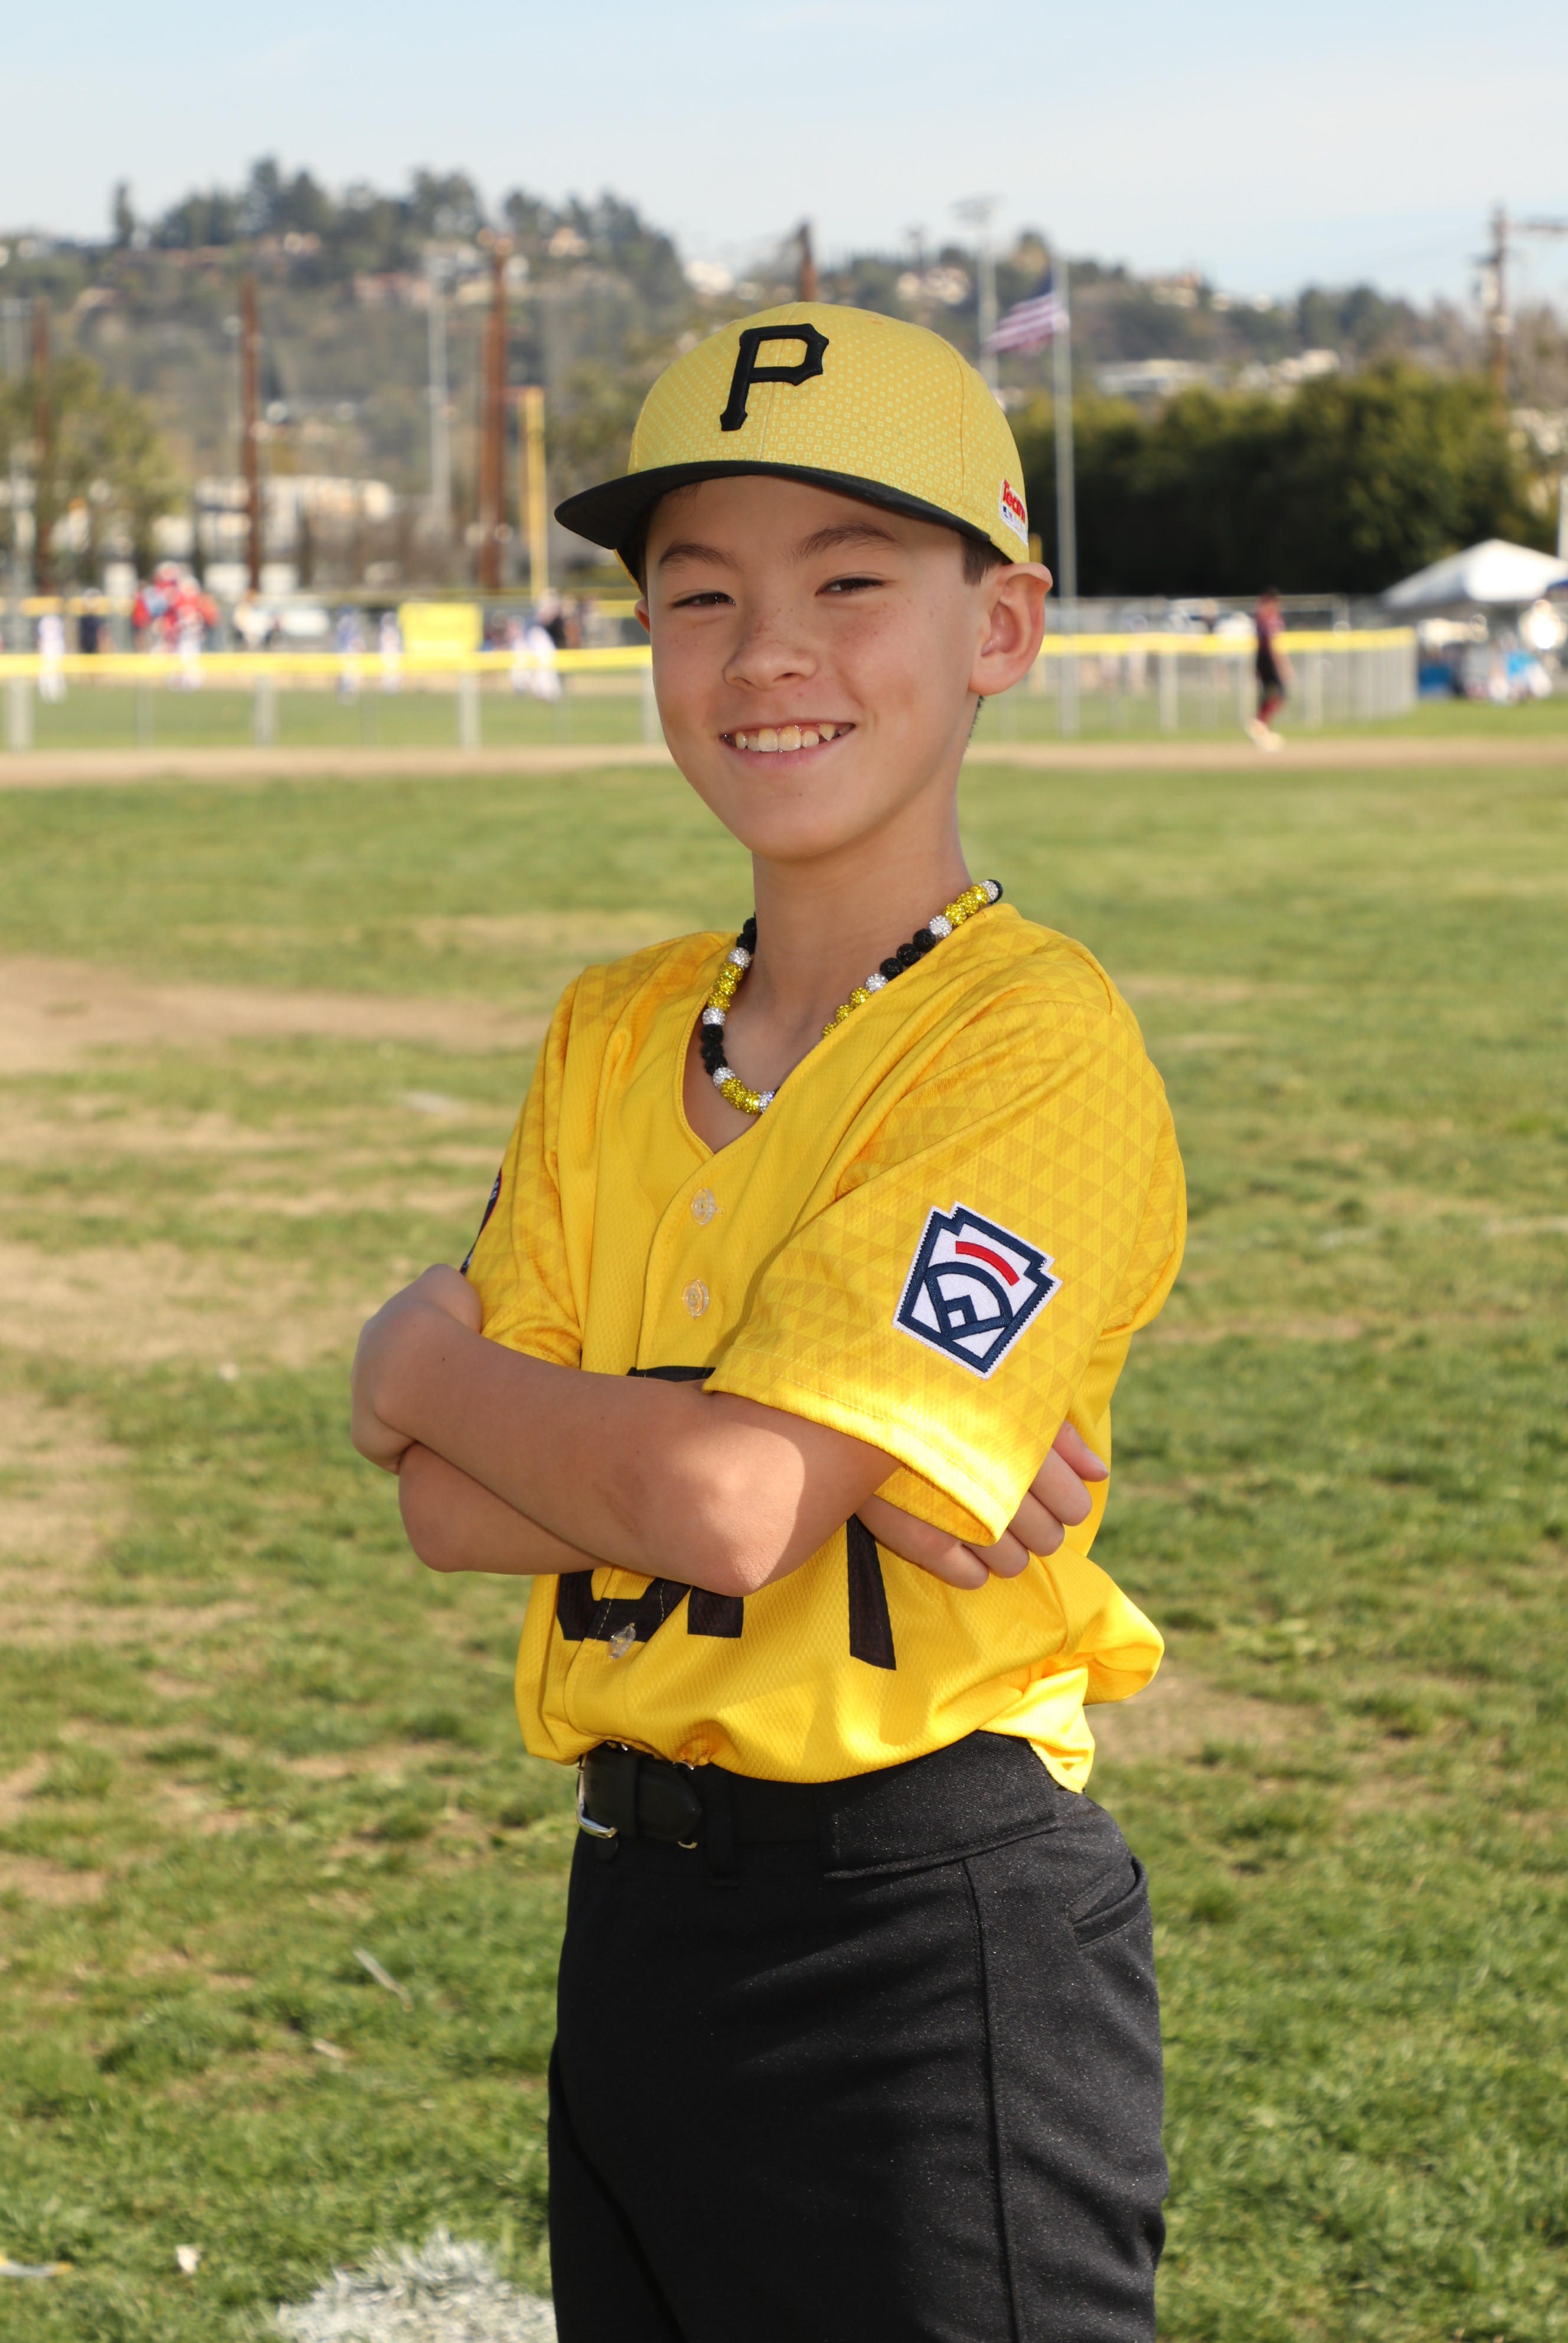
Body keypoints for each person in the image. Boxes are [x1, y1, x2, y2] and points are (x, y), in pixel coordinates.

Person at [351, 304, 1185, 2343]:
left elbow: (714, 1507)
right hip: (635, 1924)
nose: (765, 652)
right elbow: (450, 1512)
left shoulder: (1031, 1037)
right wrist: (798, 1444)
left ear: (1000, 626)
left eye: (849, 581)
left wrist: (426, 1367)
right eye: (700, 593)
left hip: (926, 1946)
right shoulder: (613, 1025)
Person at [1248, 585, 1291, 749]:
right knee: (1280, 695)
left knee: (1265, 695)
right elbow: (1274, 644)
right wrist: (1283, 666)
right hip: (1270, 660)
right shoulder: (1272, 619)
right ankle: (1259, 722)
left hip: (1261, 659)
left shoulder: (1260, 619)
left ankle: (1262, 730)